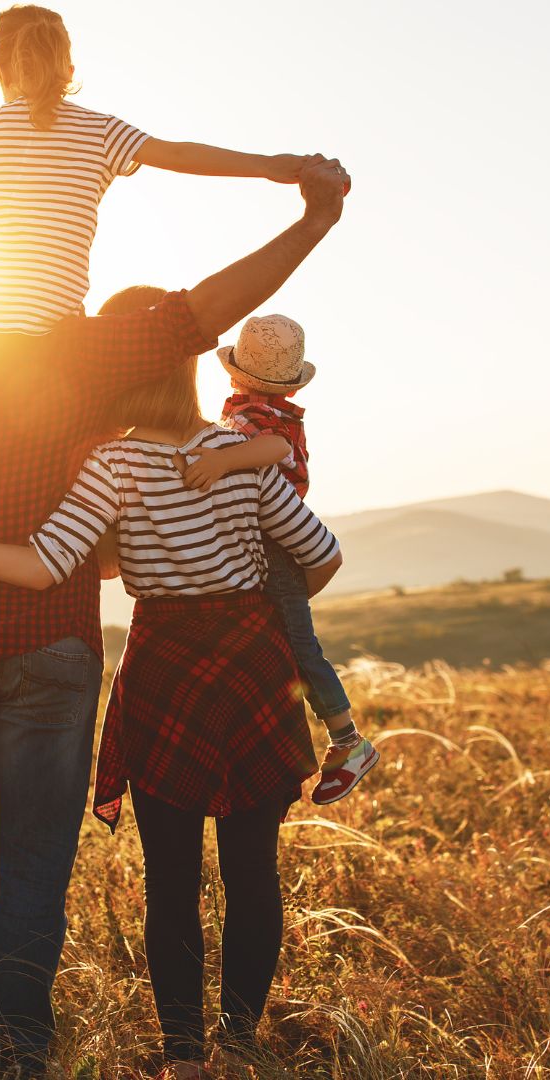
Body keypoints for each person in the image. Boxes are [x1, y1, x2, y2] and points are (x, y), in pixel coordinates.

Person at [0, 129, 349, 1078]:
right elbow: (216, 306)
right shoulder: (94, 352)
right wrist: (313, 216)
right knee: (32, 877)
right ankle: (16, 1059)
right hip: (55, 650)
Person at [0, 317, 344, 1074]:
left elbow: (47, 567)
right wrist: (254, 609)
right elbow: (322, 555)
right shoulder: (237, 453)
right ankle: (237, 1047)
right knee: (252, 869)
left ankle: (182, 1056)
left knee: (171, 878)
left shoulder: (112, 463)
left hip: (165, 669)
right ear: (190, 373)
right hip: (252, 668)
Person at [0, 4, 316, 334]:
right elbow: (179, 155)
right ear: (68, 69)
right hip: (49, 330)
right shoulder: (102, 131)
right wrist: (266, 166)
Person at [172, 313, 379, 803]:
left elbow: (273, 448)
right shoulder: (257, 410)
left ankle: (348, 739)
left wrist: (221, 461)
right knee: (276, 642)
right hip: (265, 541)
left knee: (298, 645)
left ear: (235, 371)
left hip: (275, 543)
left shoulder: (261, 420)